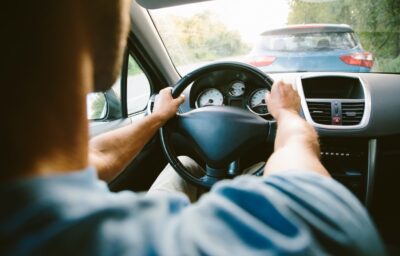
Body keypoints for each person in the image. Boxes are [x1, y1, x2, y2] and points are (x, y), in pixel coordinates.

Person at [0, 0, 385, 255]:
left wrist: (157, 117)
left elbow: (94, 156)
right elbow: (305, 178)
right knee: (192, 167)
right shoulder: (292, 230)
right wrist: (286, 116)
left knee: (185, 165)